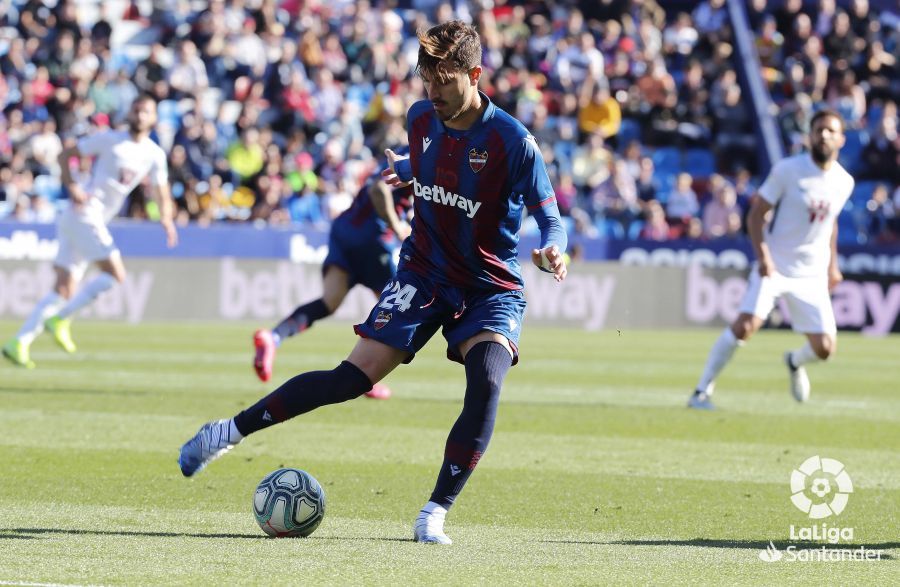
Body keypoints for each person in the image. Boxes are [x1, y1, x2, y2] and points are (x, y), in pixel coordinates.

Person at [178, 20, 568, 545]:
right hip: (423, 272)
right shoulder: (420, 118)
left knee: (488, 377)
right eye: (426, 80)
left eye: (444, 81)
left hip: (489, 285)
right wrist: (410, 166)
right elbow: (435, 159)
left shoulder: (513, 142)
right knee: (348, 381)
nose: (433, 92)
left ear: (475, 75)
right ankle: (226, 433)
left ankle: (434, 511)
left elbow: (551, 218)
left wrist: (552, 250)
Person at [688, 110, 854, 410]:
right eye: (819, 130)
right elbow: (756, 215)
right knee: (745, 326)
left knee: (825, 349)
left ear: (841, 139)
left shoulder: (844, 181)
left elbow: (831, 223)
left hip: (812, 273)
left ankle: (793, 361)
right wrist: (763, 257)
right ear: (810, 135)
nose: (824, 135)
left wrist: (833, 265)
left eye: (831, 131)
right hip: (776, 264)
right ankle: (701, 391)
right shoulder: (788, 170)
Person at [2, 95, 177, 369]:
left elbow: (161, 190)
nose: (140, 115)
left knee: (63, 289)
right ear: (129, 113)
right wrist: (71, 185)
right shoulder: (109, 139)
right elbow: (65, 154)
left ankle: (20, 342)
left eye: (146, 112)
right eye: (136, 110)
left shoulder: (154, 154)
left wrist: (166, 218)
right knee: (115, 274)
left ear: (154, 118)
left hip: (85, 219)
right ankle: (61, 318)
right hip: (85, 214)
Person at [252, 149, 415, 401]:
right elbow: (378, 190)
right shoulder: (415, 157)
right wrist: (397, 227)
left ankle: (273, 337)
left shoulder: (402, 154)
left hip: (345, 229)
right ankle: (363, 377)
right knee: (393, 310)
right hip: (372, 238)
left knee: (329, 301)